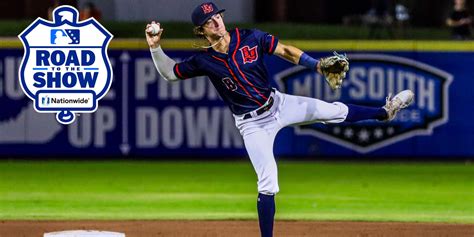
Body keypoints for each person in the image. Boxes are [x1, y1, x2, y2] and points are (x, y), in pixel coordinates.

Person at [145, 2, 414, 237]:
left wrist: (317, 65)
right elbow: (171, 73)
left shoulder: (249, 37)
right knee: (268, 182)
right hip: (251, 124)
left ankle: (384, 112)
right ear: (201, 31)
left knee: (332, 111)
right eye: (209, 21)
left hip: (278, 104)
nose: (217, 21)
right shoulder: (204, 60)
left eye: (217, 15)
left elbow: (285, 51)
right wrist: (155, 48)